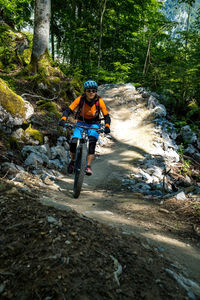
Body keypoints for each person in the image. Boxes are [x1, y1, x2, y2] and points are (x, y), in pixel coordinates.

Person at [59, 80, 111, 176]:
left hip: (94, 124)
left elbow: (106, 116)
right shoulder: (80, 99)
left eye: (93, 90)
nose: (91, 92)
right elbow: (68, 110)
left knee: (92, 142)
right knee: (74, 142)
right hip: (81, 122)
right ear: (85, 91)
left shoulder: (99, 101)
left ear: (96, 92)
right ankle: (73, 161)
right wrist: (63, 119)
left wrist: (107, 126)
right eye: (88, 90)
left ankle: (88, 166)